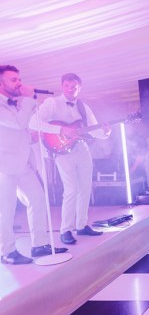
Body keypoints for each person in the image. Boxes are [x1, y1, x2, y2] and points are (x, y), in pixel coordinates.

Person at [30, 73, 110, 245]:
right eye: (67, 85)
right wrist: (60, 130)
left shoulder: (83, 106)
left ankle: (81, 225)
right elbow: (33, 123)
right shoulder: (52, 103)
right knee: (71, 189)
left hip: (81, 148)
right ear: (62, 86)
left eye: (74, 87)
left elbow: (93, 130)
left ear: (79, 88)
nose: (70, 89)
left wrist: (106, 132)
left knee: (85, 188)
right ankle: (65, 230)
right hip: (61, 150)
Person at [0, 65, 68, 264]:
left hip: (23, 161)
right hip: (4, 165)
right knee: (6, 209)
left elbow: (19, 129)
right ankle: (7, 252)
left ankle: (40, 245)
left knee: (38, 200)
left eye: (19, 78)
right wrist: (29, 99)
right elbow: (17, 123)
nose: (19, 82)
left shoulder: (19, 103)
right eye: (13, 79)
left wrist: (30, 137)